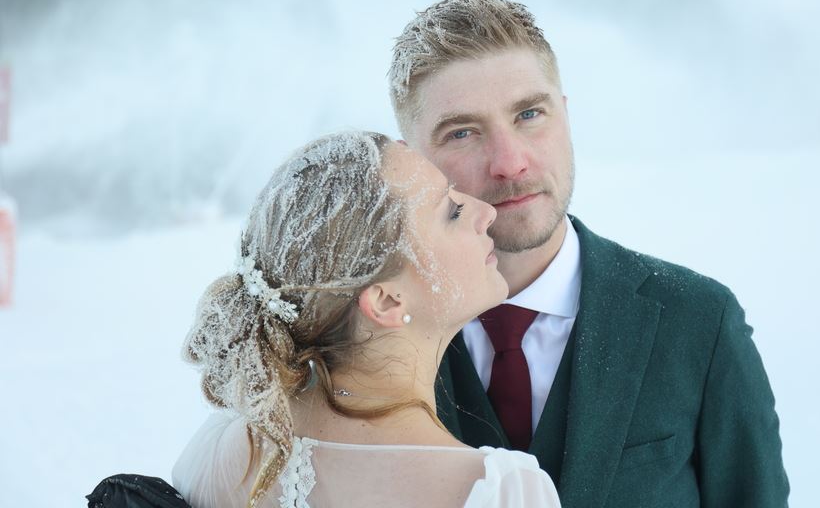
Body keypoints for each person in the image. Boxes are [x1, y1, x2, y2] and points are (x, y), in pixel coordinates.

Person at [388, 0, 790, 507]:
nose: (510, 163)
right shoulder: (373, 341)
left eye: (530, 114)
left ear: (566, 115)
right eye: (463, 132)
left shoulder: (699, 323)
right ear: (408, 164)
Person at [172, 132, 561, 508]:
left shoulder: (216, 453)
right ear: (387, 301)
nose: (485, 212)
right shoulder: (497, 491)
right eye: (452, 211)